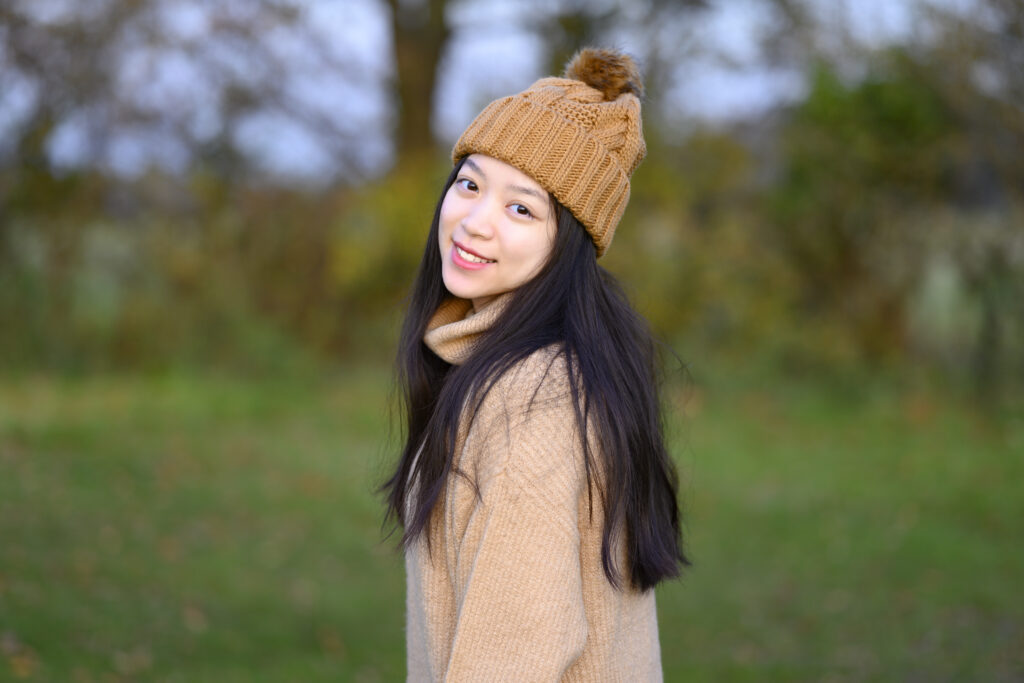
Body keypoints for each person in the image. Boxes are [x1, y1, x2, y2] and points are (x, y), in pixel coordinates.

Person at [380, 47, 688, 681]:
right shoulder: (552, 364)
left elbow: (511, 660)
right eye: (469, 183)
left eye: (521, 208)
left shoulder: (530, 405)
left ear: (569, 244)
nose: (475, 223)